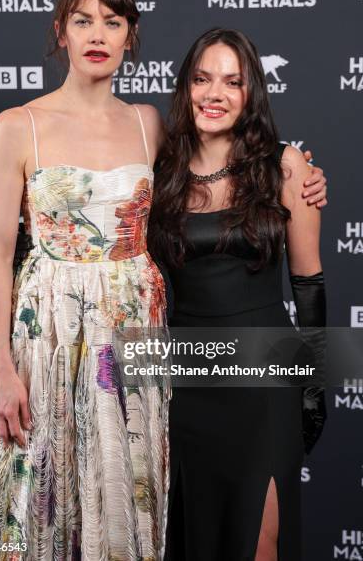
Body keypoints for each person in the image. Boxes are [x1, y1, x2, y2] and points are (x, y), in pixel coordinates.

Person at [0, 0, 170, 560]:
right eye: (83, 20)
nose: (97, 34)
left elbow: (221, 161)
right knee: (37, 494)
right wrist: (3, 369)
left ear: (130, 35)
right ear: (62, 32)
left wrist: (294, 168)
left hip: (132, 335)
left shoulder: (148, 122)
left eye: (112, 21)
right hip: (46, 335)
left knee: (124, 488)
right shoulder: (17, 127)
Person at [148, 28, 326, 560]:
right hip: (186, 381)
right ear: (186, 87)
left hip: (266, 379)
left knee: (260, 541)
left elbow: (310, 282)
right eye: (202, 79)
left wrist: (314, 384)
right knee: (196, 540)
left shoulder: (285, 165)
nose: (214, 94)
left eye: (232, 82)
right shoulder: (160, 171)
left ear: (251, 95)